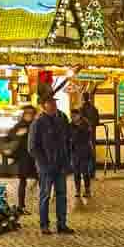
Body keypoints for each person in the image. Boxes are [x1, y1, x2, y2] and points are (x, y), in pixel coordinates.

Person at [29, 95, 74, 234]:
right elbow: (32, 147)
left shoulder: (61, 118)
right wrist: (43, 163)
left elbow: (68, 139)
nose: (54, 105)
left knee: (62, 195)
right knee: (45, 196)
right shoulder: (38, 123)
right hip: (46, 168)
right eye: (51, 103)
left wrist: (67, 160)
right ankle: (44, 225)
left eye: (55, 102)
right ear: (44, 106)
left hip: (61, 165)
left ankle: (62, 224)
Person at [1, 105, 38, 214]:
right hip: (24, 158)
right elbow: (9, 136)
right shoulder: (20, 125)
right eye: (27, 113)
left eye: (31, 113)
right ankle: (21, 206)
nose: (28, 115)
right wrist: (17, 134)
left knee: (41, 179)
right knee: (23, 180)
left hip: (35, 158)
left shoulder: (36, 125)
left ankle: (41, 203)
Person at [69, 109, 95, 201]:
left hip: (84, 151)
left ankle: (87, 189)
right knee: (76, 172)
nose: (72, 117)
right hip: (75, 152)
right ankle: (77, 190)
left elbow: (85, 136)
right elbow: (69, 137)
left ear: (79, 115)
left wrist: (75, 135)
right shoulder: (70, 125)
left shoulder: (85, 124)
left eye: (74, 116)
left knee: (84, 171)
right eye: (71, 116)